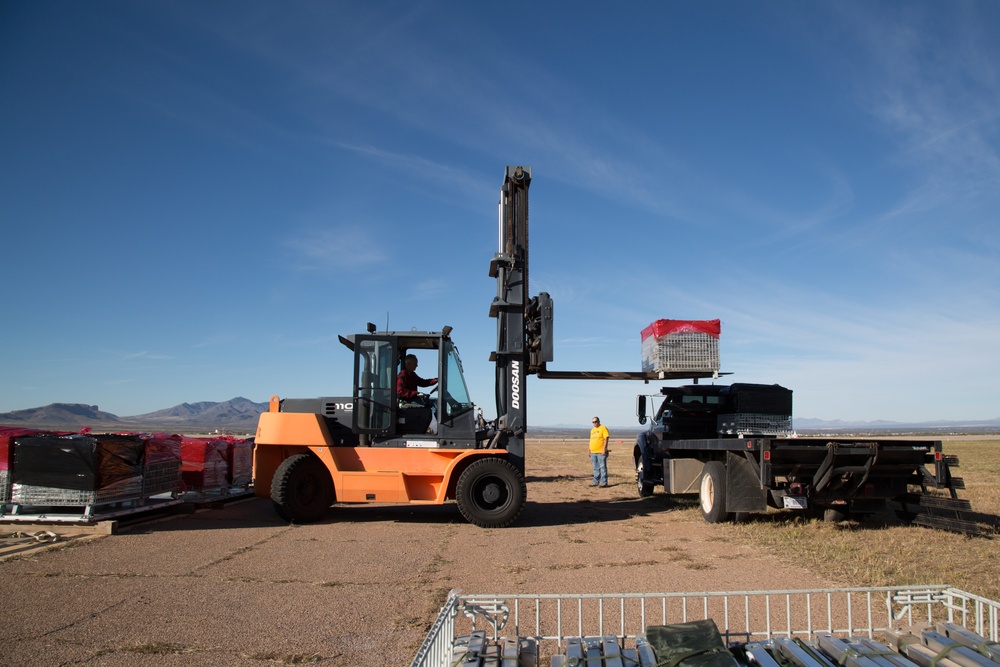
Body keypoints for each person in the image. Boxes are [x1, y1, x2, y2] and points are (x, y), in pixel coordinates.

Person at [589, 416, 610, 487]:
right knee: (595, 467)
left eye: (596, 421)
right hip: (593, 452)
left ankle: (604, 483)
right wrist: (589, 450)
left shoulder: (603, 428)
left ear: (599, 421)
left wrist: (604, 449)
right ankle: (596, 482)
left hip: (601, 452)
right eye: (593, 422)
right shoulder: (592, 430)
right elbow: (591, 440)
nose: (595, 423)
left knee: (603, 467)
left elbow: (606, 438)